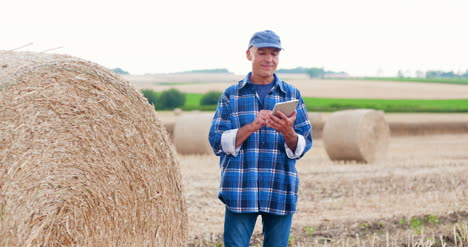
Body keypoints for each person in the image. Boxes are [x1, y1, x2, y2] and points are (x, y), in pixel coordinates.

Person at [208, 30, 313, 247]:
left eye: (274, 53)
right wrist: (251, 127)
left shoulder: (292, 95)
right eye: (262, 53)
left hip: (280, 187)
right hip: (240, 188)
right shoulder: (231, 95)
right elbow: (217, 141)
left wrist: (288, 132)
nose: (269, 59)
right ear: (249, 55)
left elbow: (304, 145)